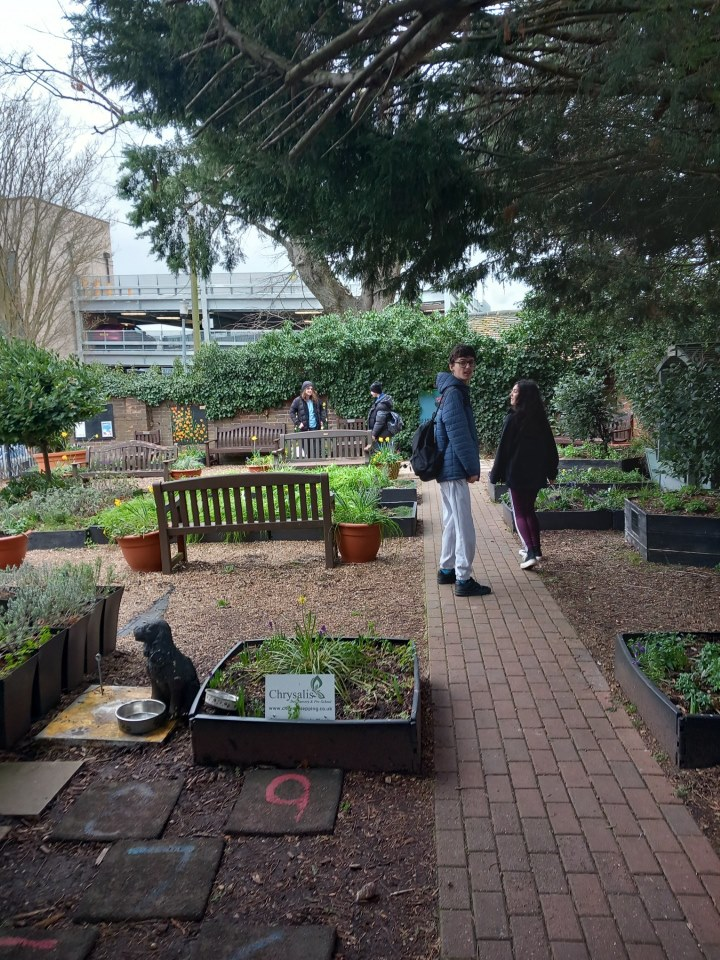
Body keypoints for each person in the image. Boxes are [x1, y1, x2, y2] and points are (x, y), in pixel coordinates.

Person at [435, 345, 492, 598]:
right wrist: (471, 468)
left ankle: (446, 569)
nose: (467, 367)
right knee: (463, 525)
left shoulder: (450, 391)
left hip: (448, 469)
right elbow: (459, 435)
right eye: (462, 362)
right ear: (452, 366)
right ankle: (463, 578)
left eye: (470, 362)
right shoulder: (455, 393)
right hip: (455, 469)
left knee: (452, 521)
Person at [489, 379, 559, 570]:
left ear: (524, 396)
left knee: (520, 513)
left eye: (515, 391)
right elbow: (551, 448)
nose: (511, 395)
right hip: (536, 474)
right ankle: (536, 549)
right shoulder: (541, 420)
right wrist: (551, 471)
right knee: (529, 510)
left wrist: (495, 475)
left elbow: (503, 449)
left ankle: (529, 553)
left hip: (517, 474)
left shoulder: (512, 419)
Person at [365, 381, 394, 452]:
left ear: (376, 392)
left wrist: (373, 435)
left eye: (372, 391)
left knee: (381, 452)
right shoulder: (380, 401)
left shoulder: (382, 404)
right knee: (382, 453)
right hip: (381, 432)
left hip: (382, 432)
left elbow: (380, 422)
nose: (371, 393)